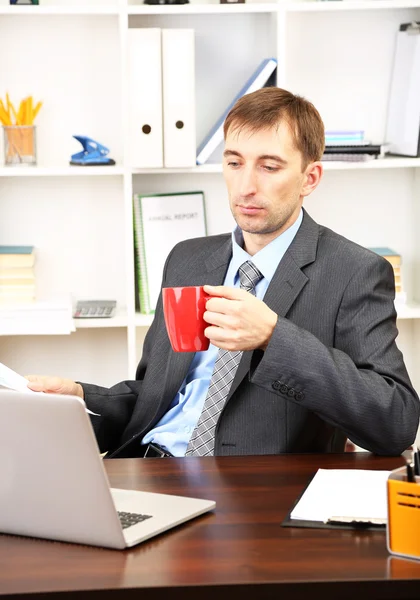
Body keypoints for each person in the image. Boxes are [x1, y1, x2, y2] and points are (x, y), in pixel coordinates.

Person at [27, 87, 420, 458]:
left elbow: (395, 422)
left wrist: (273, 337)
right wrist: (81, 400)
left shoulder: (355, 273)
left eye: (269, 166)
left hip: (248, 493)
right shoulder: (187, 260)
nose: (246, 186)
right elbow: (156, 397)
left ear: (309, 178)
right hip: (146, 468)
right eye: (234, 163)